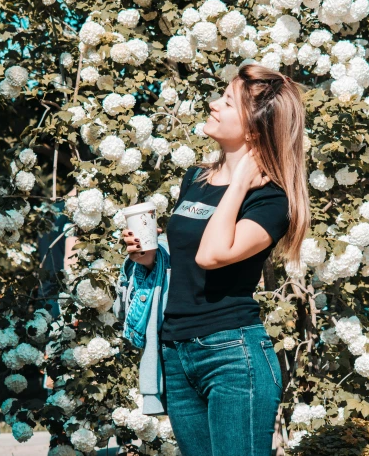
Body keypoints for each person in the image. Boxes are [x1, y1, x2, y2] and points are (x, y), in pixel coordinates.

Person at [122, 62, 310, 456]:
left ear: (253, 129)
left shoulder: (271, 199)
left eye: (226, 101)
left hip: (232, 355)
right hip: (175, 351)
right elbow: (189, 259)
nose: (213, 105)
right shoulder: (195, 179)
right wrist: (149, 256)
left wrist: (240, 180)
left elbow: (212, 255)